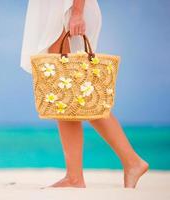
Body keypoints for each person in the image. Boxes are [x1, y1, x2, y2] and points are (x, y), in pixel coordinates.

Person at [20, 0, 149, 188]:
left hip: (65, 10)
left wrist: (77, 12)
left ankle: (128, 162)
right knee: (67, 95)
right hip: (56, 12)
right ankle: (78, 176)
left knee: (67, 93)